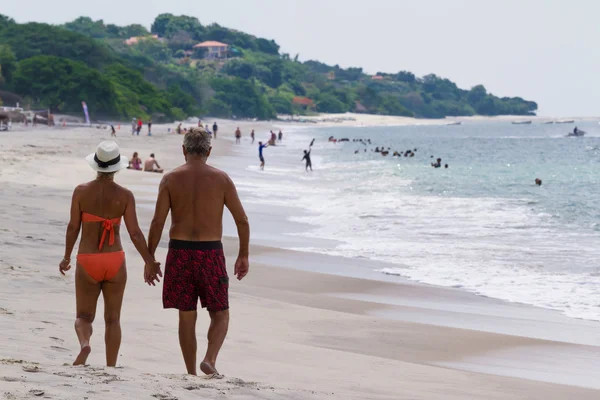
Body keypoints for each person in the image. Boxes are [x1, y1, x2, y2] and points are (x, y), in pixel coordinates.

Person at [147, 127, 249, 376]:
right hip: (210, 252)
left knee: (186, 314)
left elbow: (157, 222)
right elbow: (242, 220)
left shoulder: (170, 179)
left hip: (179, 251)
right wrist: (243, 255)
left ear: (184, 150)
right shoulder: (221, 179)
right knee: (220, 312)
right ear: (209, 151)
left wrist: (150, 259)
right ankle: (210, 359)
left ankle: (190, 372)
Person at [59, 141, 161, 366]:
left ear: (96, 165)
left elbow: (73, 227)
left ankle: (85, 344)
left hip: (87, 260)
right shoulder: (125, 195)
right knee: (113, 320)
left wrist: (67, 257)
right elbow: (135, 233)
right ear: (117, 168)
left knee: (83, 317)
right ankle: (111, 366)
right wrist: (149, 262)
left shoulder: (81, 192)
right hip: (115, 260)